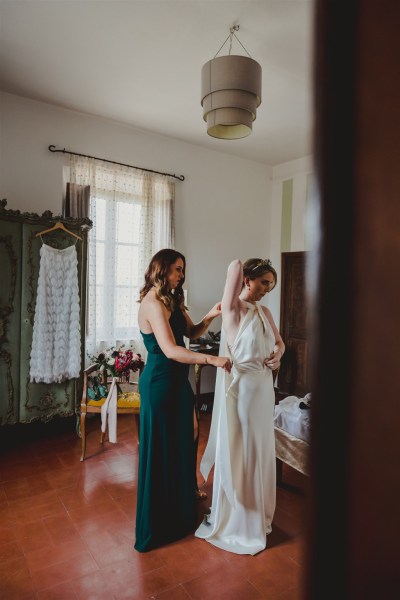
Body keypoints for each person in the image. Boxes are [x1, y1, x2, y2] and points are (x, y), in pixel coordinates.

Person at [134, 248, 232, 553]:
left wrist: (211, 315)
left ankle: (181, 504)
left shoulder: (172, 299)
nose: (181, 274)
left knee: (187, 439)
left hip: (178, 382)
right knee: (162, 447)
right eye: (177, 269)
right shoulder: (151, 303)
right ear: (160, 270)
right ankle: (160, 520)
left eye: (182, 269)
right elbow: (172, 350)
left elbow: (190, 332)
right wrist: (212, 360)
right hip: (161, 383)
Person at [195, 257, 285, 555]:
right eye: (264, 282)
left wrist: (278, 355)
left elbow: (280, 343)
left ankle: (258, 513)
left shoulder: (265, 311)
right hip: (244, 389)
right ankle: (240, 517)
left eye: (271, 285)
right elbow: (233, 265)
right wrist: (245, 268)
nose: (267, 289)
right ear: (248, 279)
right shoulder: (232, 309)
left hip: (263, 388)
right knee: (245, 447)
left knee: (260, 447)